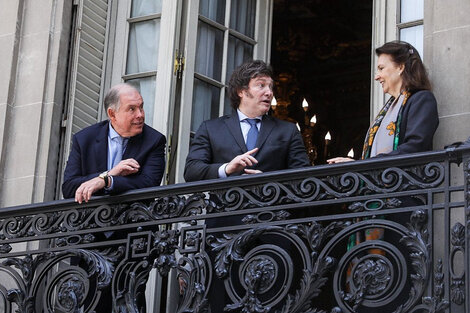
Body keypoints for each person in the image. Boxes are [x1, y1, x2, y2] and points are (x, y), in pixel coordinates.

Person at [184, 60, 310, 182]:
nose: (269, 93)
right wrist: (227, 168)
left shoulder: (288, 130)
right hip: (225, 203)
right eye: (261, 85)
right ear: (241, 91)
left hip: (270, 203)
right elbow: (191, 171)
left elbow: (304, 179)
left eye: (271, 87)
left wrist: (269, 182)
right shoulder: (210, 128)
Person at [328, 41, 438, 164]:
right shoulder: (388, 108)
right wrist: (355, 164)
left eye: (381, 68)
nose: (377, 76)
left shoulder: (421, 99)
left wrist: (362, 165)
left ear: (400, 67)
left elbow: (416, 147)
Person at [62, 83, 166, 203]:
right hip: (91, 218)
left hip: (133, 218)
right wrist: (109, 174)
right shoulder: (84, 139)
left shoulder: (154, 140)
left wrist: (108, 181)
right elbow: (69, 188)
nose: (140, 115)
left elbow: (149, 184)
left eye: (141, 107)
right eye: (132, 109)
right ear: (112, 114)